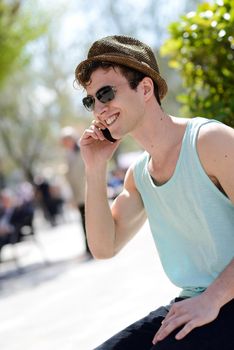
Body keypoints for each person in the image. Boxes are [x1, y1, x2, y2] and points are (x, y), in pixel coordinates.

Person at [75, 35, 234, 349]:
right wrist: (95, 168)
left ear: (145, 88)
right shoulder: (140, 175)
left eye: (105, 93)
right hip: (194, 304)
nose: (99, 109)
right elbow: (104, 246)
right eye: (90, 100)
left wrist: (212, 300)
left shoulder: (210, 141)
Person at [60, 126, 92, 258]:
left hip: (89, 191)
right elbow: (69, 177)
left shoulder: (83, 148)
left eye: (66, 140)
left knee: (92, 220)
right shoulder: (68, 155)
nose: (64, 143)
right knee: (84, 222)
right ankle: (89, 248)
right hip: (78, 195)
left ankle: (96, 246)